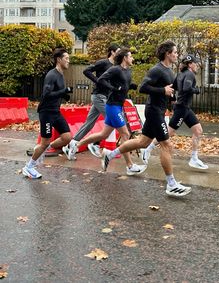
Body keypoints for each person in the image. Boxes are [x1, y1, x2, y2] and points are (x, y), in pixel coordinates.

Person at [101, 41, 192, 197]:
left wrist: (172, 97)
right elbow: (143, 87)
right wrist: (162, 90)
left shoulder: (169, 70)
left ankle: (109, 154)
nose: (177, 55)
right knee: (166, 144)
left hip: (159, 110)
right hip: (154, 111)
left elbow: (168, 90)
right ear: (167, 53)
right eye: (175, 52)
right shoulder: (157, 69)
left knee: (142, 142)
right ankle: (171, 184)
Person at [67, 47, 147, 176]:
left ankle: (76, 145)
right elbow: (101, 79)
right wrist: (113, 88)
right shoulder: (115, 69)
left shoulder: (128, 71)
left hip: (118, 105)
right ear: (125, 58)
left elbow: (124, 84)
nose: (133, 58)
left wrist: (130, 86)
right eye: (131, 56)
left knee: (103, 134)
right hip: (112, 106)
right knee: (125, 134)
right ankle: (130, 166)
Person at [140, 54, 208, 170]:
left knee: (198, 130)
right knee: (169, 133)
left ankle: (194, 158)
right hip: (181, 109)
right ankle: (148, 149)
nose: (197, 66)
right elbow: (186, 88)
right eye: (195, 64)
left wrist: (172, 98)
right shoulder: (190, 74)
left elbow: (174, 87)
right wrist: (196, 90)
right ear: (190, 65)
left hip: (185, 108)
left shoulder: (181, 74)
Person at [62, 43, 120, 160]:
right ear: (112, 52)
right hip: (99, 96)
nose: (120, 53)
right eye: (118, 51)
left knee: (89, 124)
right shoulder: (104, 63)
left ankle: (71, 145)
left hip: (105, 97)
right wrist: (98, 80)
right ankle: (95, 143)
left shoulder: (116, 66)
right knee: (113, 120)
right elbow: (87, 71)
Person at [22, 48, 73, 179]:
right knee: (44, 141)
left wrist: (64, 95)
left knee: (67, 137)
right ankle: (29, 167)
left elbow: (57, 92)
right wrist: (63, 91)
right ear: (59, 60)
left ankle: (43, 148)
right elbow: (46, 94)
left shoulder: (61, 74)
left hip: (56, 111)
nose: (68, 61)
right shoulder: (52, 75)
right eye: (66, 58)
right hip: (46, 112)